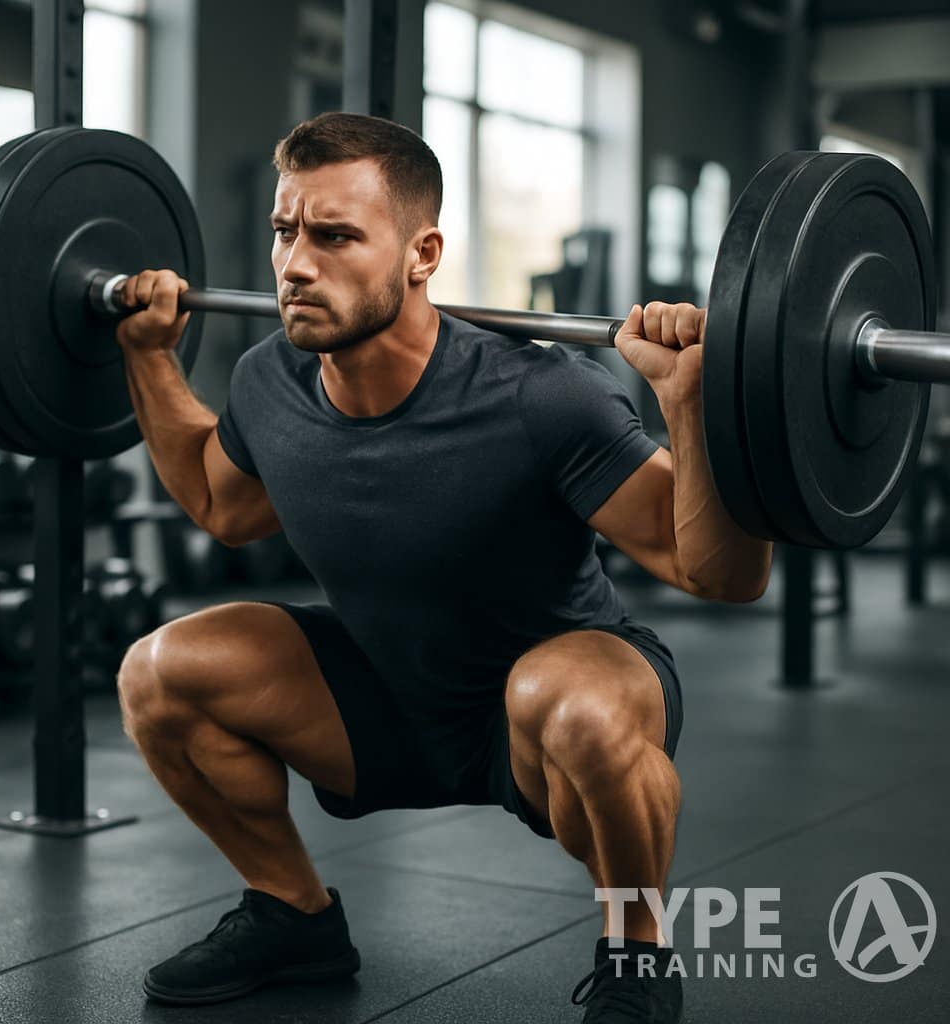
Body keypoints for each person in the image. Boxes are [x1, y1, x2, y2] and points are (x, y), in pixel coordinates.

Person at [114, 112, 772, 1023]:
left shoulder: (540, 394)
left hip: (548, 704)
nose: (295, 265)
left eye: (335, 236)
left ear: (422, 254)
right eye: (285, 230)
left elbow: (720, 575)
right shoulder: (271, 381)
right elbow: (221, 504)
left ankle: (638, 955)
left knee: (573, 704)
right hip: (384, 697)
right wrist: (149, 357)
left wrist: (692, 404)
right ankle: (293, 915)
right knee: (160, 673)